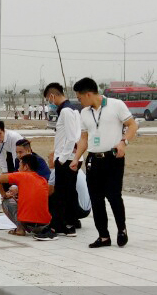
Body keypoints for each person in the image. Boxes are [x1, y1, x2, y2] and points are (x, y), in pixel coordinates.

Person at [71, 77, 138, 248]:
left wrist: (123, 142)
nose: (79, 102)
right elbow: (84, 138)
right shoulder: (84, 113)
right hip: (93, 159)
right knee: (96, 199)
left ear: (88, 94)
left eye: (80, 98)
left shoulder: (116, 105)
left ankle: (122, 229)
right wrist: (76, 158)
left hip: (113, 158)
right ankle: (103, 236)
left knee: (114, 196)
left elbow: (132, 125)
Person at [44, 82, 83, 237]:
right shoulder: (73, 109)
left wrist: (61, 159)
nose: (50, 102)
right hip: (73, 157)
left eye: (48, 99)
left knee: (60, 193)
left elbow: (72, 137)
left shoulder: (66, 111)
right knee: (70, 192)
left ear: (53, 95)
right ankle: (70, 223)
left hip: (66, 159)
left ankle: (56, 227)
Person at [0, 154, 54, 238]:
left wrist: (4, 195)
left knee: (6, 201)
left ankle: (20, 229)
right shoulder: (42, 179)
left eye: (20, 165)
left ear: (26, 167)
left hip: (30, 225)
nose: (18, 168)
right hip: (45, 224)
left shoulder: (22, 175)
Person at [0, 120, 23, 212]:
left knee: (17, 178)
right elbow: (0, 155)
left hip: (21, 156)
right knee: (4, 177)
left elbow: (16, 158)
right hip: (9, 154)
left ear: (4, 130)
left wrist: (16, 175)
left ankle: (19, 202)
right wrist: (4, 171)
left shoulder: (13, 137)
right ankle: (6, 202)